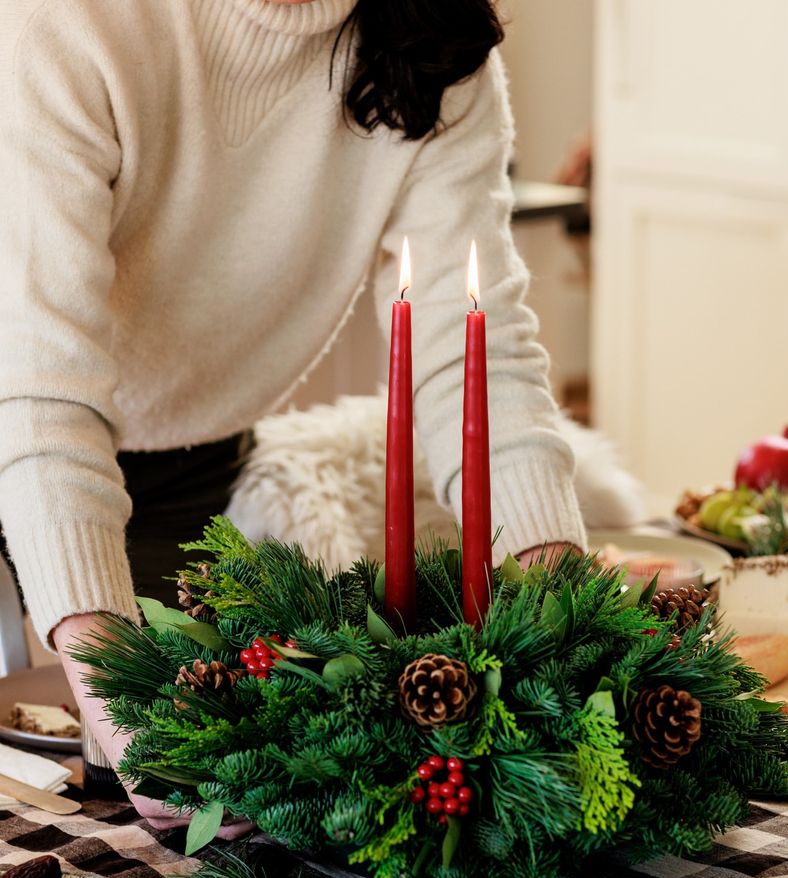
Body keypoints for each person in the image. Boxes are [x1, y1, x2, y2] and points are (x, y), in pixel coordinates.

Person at [0, 0, 586, 830]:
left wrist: (567, 605)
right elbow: (36, 390)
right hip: (23, 413)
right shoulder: (66, 22)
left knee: (188, 827)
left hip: (188, 451)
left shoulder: (434, 36)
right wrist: (118, 688)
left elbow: (471, 346)